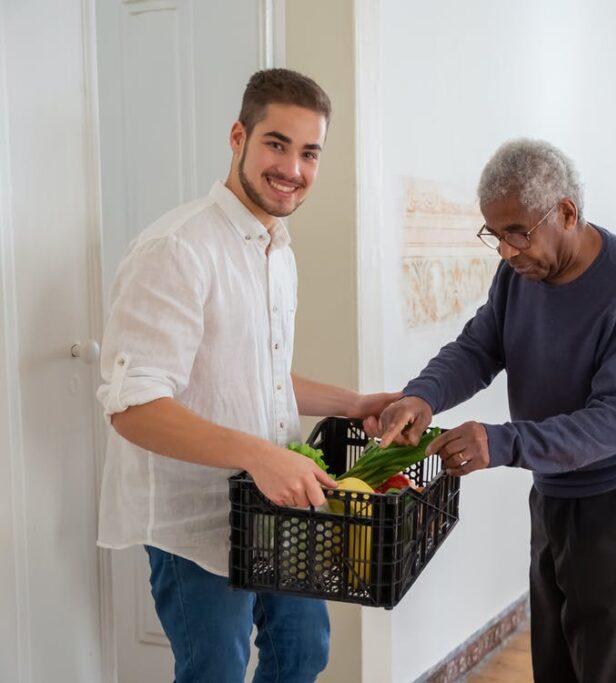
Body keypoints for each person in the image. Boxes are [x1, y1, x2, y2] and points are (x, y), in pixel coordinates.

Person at [96, 68, 398, 683]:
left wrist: (353, 400)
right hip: (195, 518)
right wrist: (261, 455)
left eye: (309, 152)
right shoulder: (177, 250)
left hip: (275, 504)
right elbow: (133, 407)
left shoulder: (276, 249)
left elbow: (257, 373)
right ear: (238, 137)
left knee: (302, 651)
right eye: (276, 144)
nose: (292, 167)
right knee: (215, 671)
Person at [367, 138, 616, 682]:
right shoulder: (518, 275)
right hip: (555, 483)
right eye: (496, 234)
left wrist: (502, 441)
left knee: (609, 666)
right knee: (555, 657)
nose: (507, 251)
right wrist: (422, 395)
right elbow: (479, 347)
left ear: (566, 212)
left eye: (518, 232)